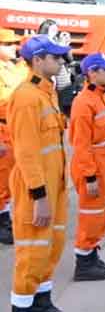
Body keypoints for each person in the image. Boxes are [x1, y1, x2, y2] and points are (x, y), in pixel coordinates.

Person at [7, 35, 71, 312]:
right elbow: (27, 153)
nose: (60, 62)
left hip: (53, 185)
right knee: (32, 251)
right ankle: (22, 306)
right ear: (37, 60)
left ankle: (42, 301)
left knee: (51, 245)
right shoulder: (25, 98)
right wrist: (39, 196)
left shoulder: (46, 92)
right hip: (36, 189)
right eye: (55, 58)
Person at [69, 53, 105, 282]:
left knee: (102, 212)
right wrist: (89, 176)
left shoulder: (104, 98)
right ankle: (83, 262)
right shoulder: (84, 102)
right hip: (92, 165)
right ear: (92, 73)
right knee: (91, 215)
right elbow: (81, 144)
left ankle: (91, 254)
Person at [0, 29, 29, 245]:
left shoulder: (16, 68)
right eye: (8, 44)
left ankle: (8, 219)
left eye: (15, 43)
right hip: (2, 131)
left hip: (16, 130)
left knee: (12, 181)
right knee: (1, 181)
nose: (13, 47)